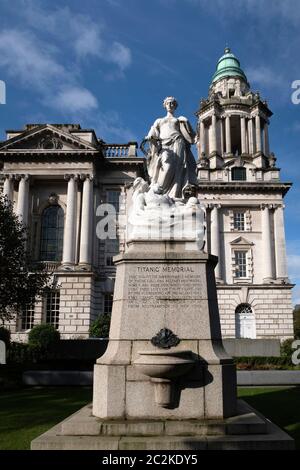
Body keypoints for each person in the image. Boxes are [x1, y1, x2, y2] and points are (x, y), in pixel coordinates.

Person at [145, 96, 198, 199]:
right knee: (167, 164)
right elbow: (153, 132)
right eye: (168, 103)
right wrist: (151, 137)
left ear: (175, 106)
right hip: (164, 144)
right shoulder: (159, 120)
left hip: (178, 142)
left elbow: (192, 135)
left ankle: (174, 195)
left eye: (172, 103)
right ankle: (159, 189)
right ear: (165, 105)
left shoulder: (179, 120)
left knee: (178, 168)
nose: (170, 105)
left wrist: (186, 121)